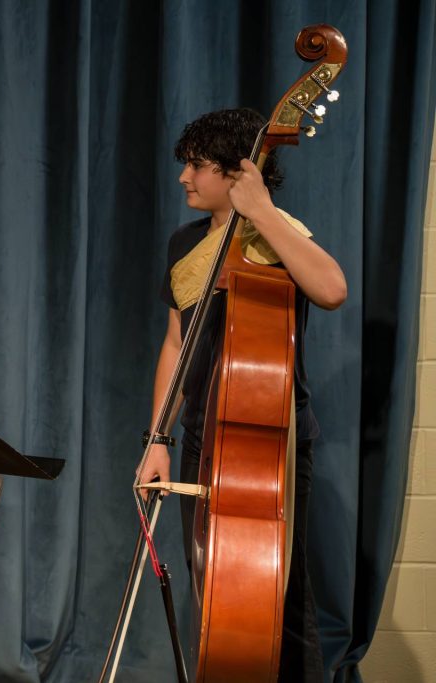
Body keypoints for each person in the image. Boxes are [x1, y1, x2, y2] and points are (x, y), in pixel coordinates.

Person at [136, 108, 347, 680]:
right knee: (214, 585)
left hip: (271, 439)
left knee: (285, 590)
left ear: (238, 172)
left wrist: (263, 214)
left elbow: (331, 289)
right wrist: (159, 438)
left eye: (198, 166)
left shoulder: (278, 234)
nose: (184, 177)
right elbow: (176, 345)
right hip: (204, 435)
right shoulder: (184, 243)